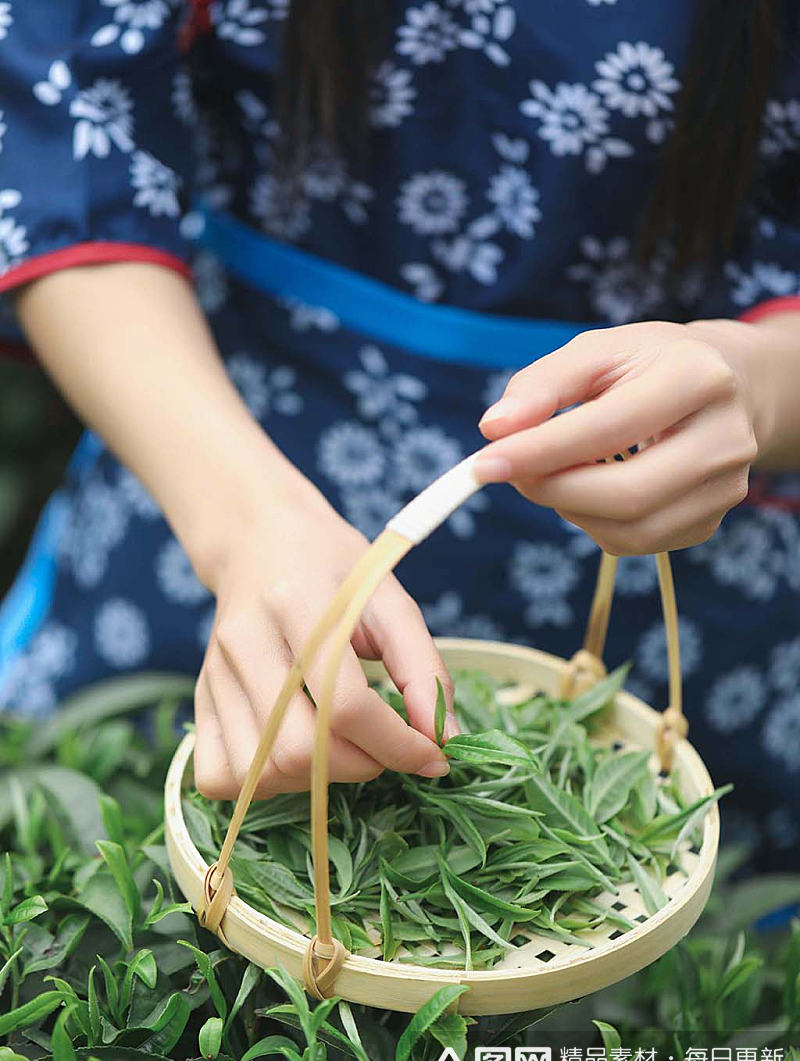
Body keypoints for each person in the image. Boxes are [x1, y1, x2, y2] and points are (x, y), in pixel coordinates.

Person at [0, 1, 798, 869]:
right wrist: (243, 526)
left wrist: (756, 383)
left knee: (653, 909)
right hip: (216, 468)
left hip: (686, 570)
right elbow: (59, 124)